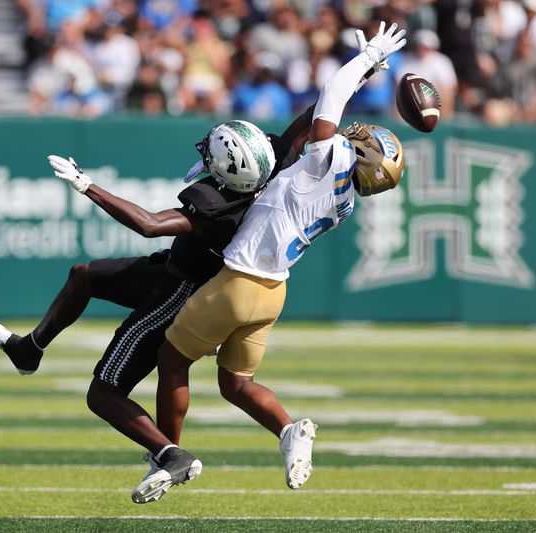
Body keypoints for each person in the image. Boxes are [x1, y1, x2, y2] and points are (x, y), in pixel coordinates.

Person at [136, 21, 408, 502]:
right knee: (235, 383)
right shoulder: (343, 200)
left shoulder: (327, 161)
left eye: (368, 139)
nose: (360, 133)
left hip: (239, 281)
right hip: (273, 294)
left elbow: (330, 94)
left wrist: (366, 60)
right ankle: (288, 430)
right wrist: (370, 72)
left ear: (364, 158)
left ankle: (167, 455)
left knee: (171, 361)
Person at [0, 114, 312, 502]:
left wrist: (88, 186)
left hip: (180, 291)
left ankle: (170, 454)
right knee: (83, 276)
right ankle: (29, 350)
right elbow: (303, 127)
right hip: (175, 271)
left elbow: (150, 224)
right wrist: (365, 66)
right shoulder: (268, 174)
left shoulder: (216, 207)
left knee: (102, 393)